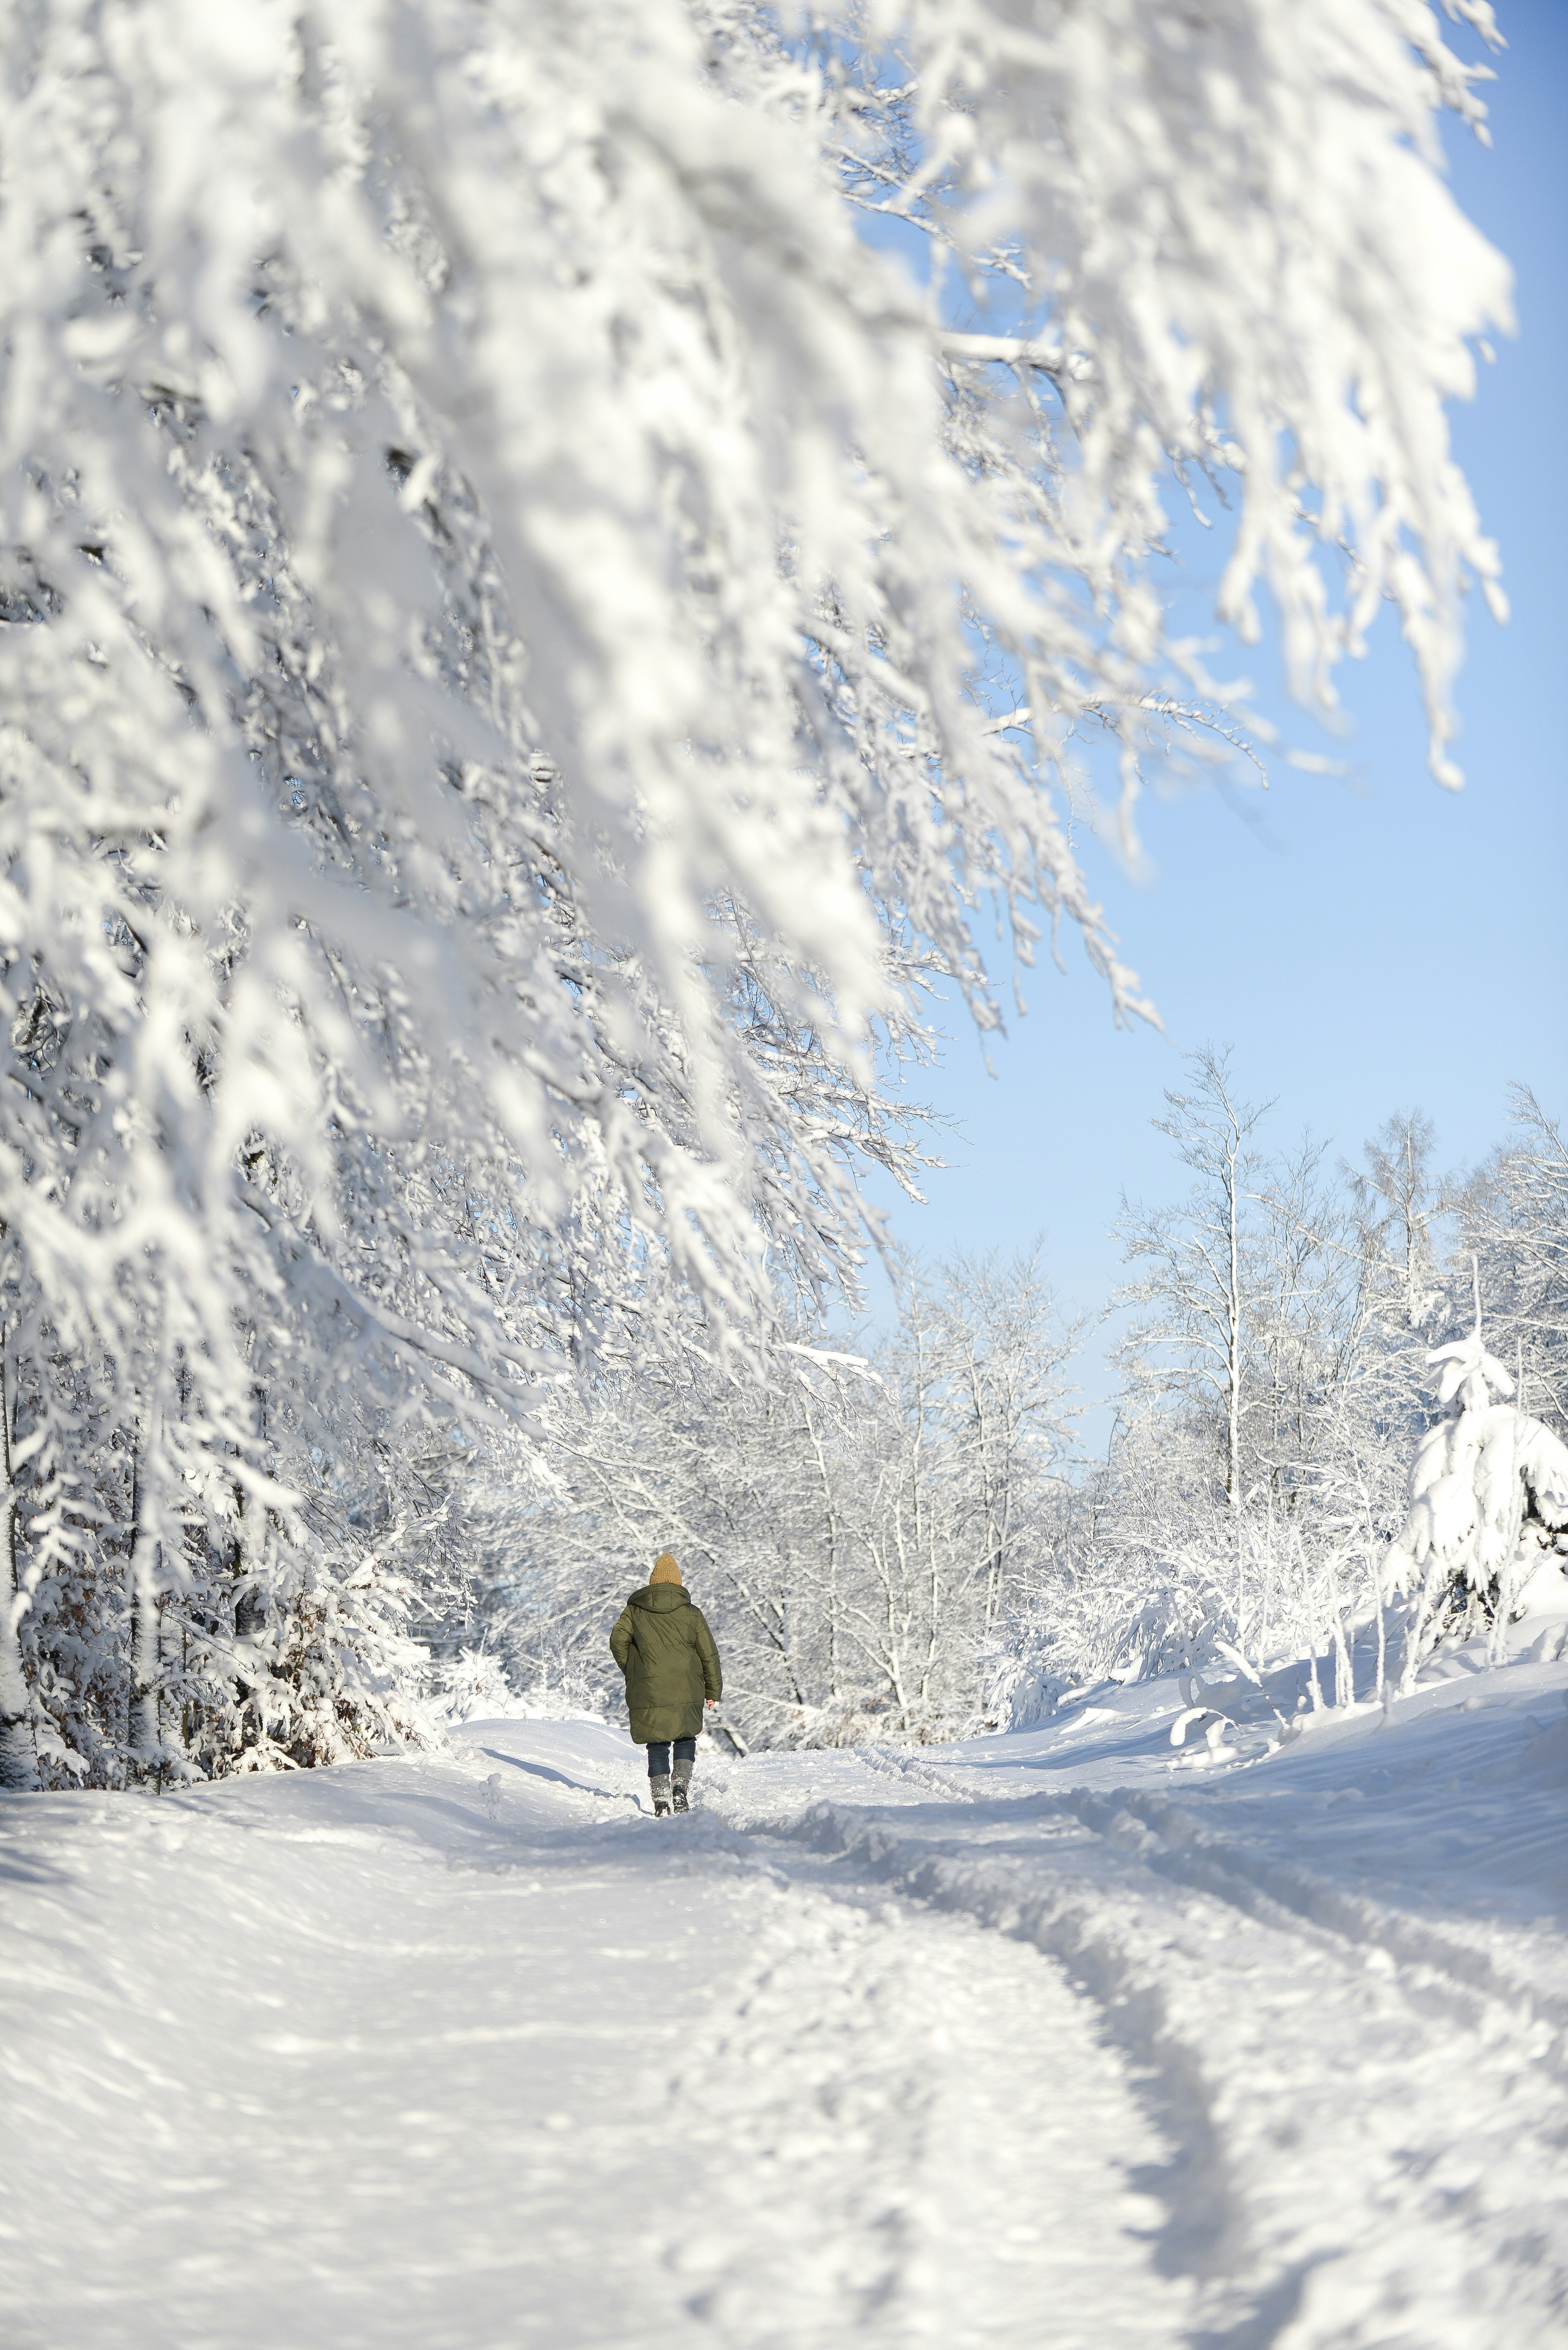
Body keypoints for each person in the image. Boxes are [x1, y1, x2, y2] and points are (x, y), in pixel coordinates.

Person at [608, 1551, 722, 1816]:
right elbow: (709, 1654)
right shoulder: (692, 1613)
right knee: (685, 1737)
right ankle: (680, 1788)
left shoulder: (635, 1611)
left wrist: (635, 1670)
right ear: (679, 1583)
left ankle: (660, 1800)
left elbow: (617, 1641)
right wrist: (713, 1690)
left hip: (648, 1688)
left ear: (652, 1583)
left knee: (657, 1744)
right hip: (688, 1686)